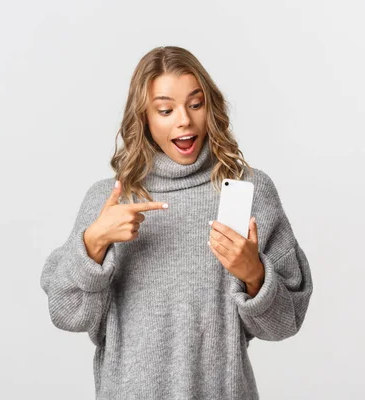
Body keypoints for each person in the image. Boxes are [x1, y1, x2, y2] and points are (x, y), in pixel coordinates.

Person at [40, 45, 313, 400]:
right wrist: (93, 244)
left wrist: (254, 275)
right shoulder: (111, 200)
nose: (184, 119)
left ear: (210, 107)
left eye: (195, 104)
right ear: (144, 118)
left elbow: (285, 322)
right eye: (166, 109)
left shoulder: (248, 191)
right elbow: (66, 314)